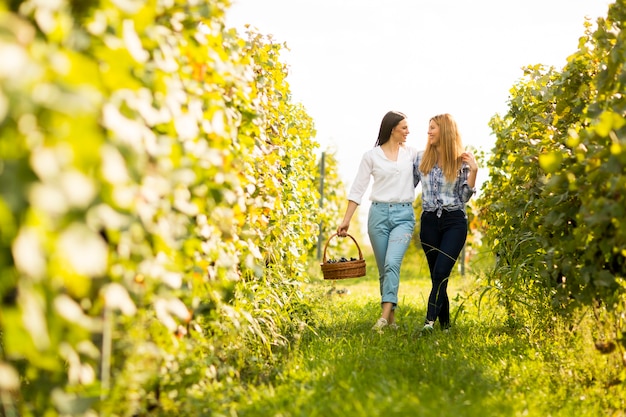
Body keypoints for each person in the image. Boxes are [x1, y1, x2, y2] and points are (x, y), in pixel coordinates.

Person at [337, 111, 418, 333]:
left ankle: (382, 318)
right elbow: (358, 189)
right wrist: (346, 220)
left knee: (392, 263)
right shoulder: (371, 156)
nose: (408, 132)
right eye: (404, 127)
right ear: (392, 128)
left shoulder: (412, 154)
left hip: (403, 217)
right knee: (384, 270)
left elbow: (436, 160)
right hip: (378, 216)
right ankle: (392, 322)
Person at [413, 113, 478, 333]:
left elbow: (464, 197)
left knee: (441, 271)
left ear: (446, 131)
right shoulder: (421, 159)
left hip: (454, 222)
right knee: (437, 276)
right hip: (429, 221)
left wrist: (474, 172)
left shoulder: (461, 161)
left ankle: (429, 322)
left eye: (433, 128)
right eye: (428, 127)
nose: (429, 131)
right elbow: (406, 185)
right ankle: (446, 326)